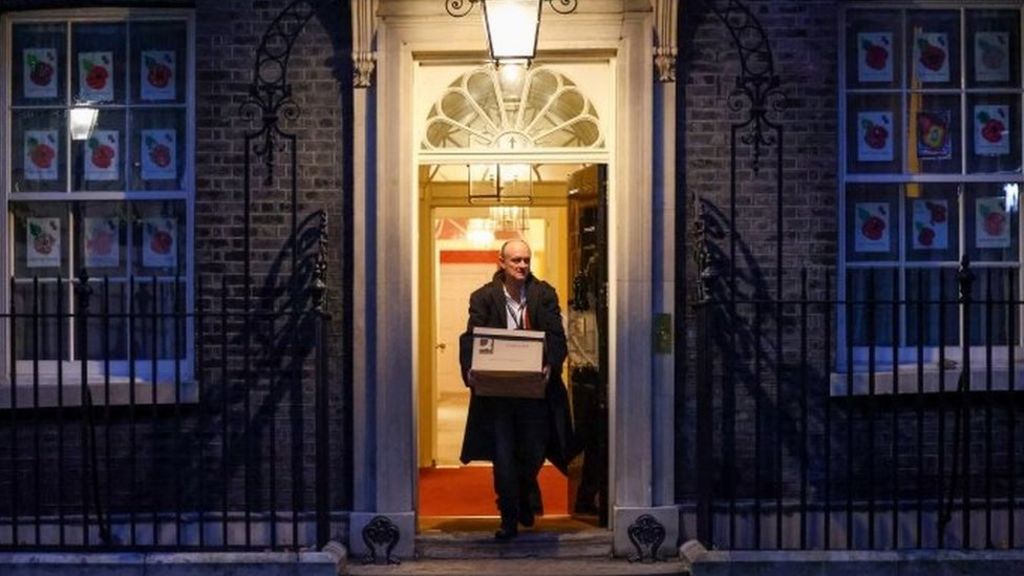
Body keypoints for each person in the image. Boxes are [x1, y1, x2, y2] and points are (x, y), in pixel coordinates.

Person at [458, 239, 573, 540]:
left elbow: (557, 337)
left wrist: (552, 365)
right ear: (502, 263)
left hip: (535, 394)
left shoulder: (544, 293)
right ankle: (508, 518)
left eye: (526, 260)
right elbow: (472, 336)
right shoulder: (482, 297)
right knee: (504, 457)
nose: (522, 266)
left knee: (534, 452)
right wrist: (470, 369)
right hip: (498, 397)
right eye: (515, 261)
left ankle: (524, 492)